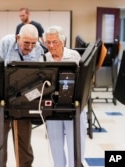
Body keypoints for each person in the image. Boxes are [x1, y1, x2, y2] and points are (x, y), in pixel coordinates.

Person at [0, 24, 44, 167]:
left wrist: (31, 99)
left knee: (23, 141)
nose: (30, 47)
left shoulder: (39, 50)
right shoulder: (6, 43)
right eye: (26, 43)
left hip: (23, 100)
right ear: (18, 38)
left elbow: (40, 79)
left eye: (33, 43)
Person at [42, 25, 87, 167]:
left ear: (63, 41)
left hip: (73, 106)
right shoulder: (43, 58)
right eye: (48, 42)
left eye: (54, 42)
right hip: (53, 108)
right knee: (56, 150)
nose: (51, 45)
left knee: (76, 148)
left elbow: (82, 82)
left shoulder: (74, 56)